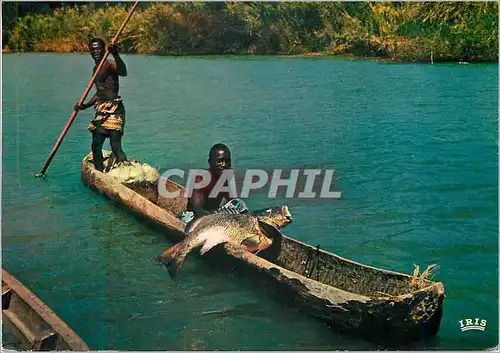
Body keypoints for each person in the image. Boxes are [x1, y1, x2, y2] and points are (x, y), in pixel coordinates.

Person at [74, 38, 128, 172]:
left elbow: (123, 72)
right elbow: (99, 93)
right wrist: (85, 106)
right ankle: (99, 173)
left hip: (115, 110)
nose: (95, 51)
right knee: (96, 144)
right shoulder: (95, 69)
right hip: (101, 109)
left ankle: (126, 172)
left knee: (115, 146)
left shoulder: (109, 64)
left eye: (98, 48)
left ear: (104, 49)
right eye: (93, 49)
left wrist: (115, 54)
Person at [181, 143, 247, 224]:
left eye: (227, 161)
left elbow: (232, 201)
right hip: (194, 216)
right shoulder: (201, 178)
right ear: (210, 162)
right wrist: (214, 219)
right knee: (187, 221)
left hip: (213, 214)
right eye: (220, 161)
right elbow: (197, 209)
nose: (224, 165)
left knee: (239, 204)